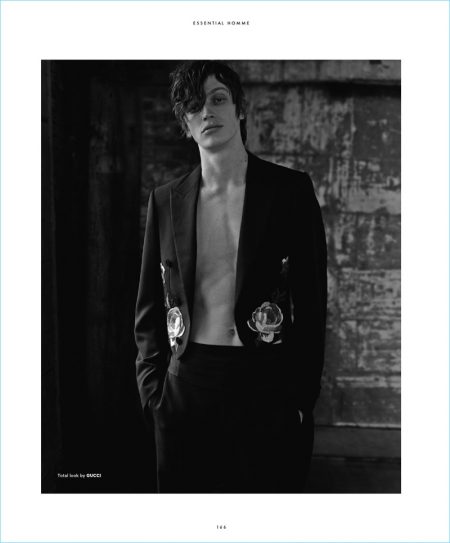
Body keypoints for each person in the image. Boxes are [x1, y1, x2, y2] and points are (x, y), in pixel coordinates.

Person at [135, 60, 327, 493]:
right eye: (194, 106)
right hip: (186, 386)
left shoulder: (290, 192)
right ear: (186, 124)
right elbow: (148, 308)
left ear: (240, 108)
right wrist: (153, 396)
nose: (207, 112)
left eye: (218, 99)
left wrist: (300, 400)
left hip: (266, 384)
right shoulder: (166, 201)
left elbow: (313, 303)